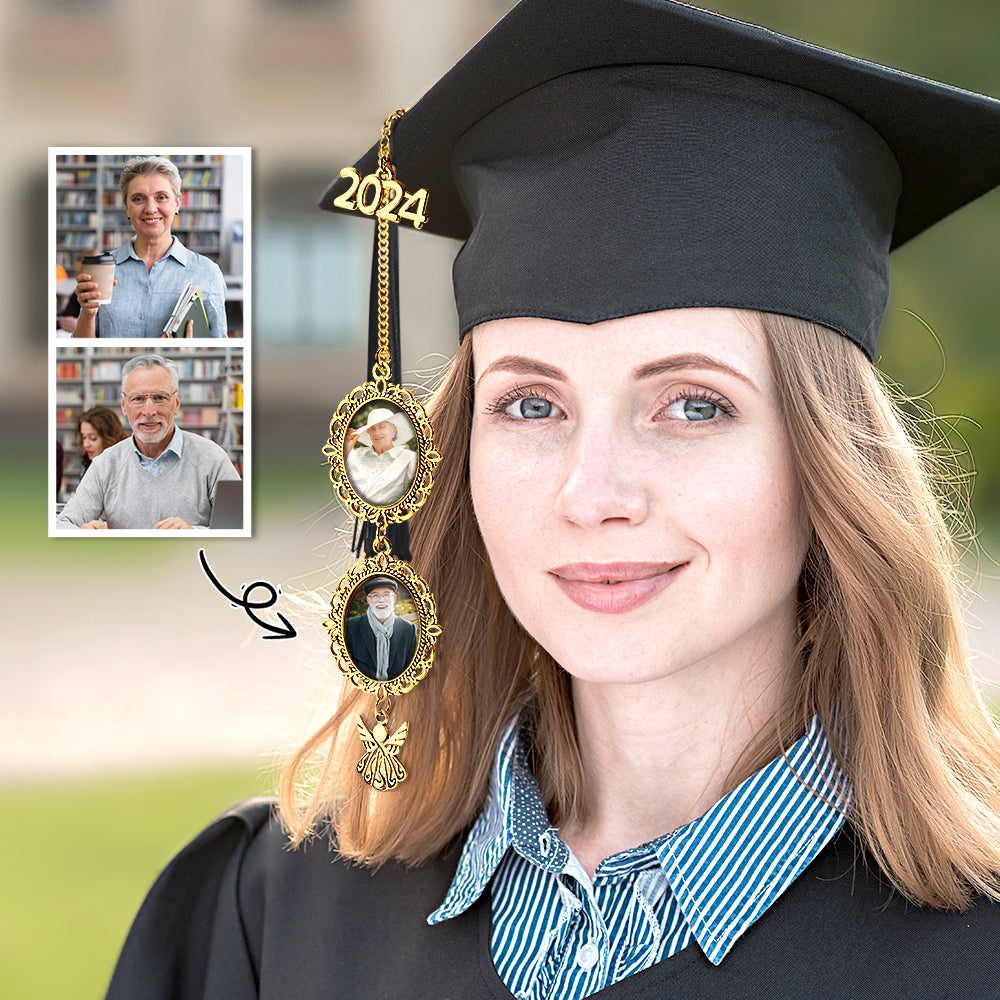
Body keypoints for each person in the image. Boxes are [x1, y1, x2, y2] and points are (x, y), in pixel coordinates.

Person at [105, 1, 1000, 996]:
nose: (592, 492)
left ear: (828, 466)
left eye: (693, 404)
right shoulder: (274, 916)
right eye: (531, 402)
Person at [57, 354, 239, 529]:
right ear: (124, 406)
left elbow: (242, 526)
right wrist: (84, 534)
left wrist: (195, 534)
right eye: (138, 399)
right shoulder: (105, 464)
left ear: (176, 404)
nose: (149, 411)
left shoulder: (213, 458)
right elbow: (63, 523)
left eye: (160, 398)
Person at [73, 155, 227, 338]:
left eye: (161, 197)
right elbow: (80, 350)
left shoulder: (208, 273)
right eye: (138, 199)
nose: (151, 208)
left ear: (177, 203)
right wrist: (88, 314)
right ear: (126, 206)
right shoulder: (102, 269)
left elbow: (221, 348)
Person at [344, 577, 418, 681]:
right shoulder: (350, 627)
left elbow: (411, 670)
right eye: (375, 596)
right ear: (368, 600)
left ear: (394, 599)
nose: (381, 600)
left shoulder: (408, 629)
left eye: (386, 595)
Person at [344, 406, 418, 506]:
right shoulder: (356, 455)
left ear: (394, 430)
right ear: (369, 433)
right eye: (372, 429)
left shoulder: (409, 458)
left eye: (382, 427)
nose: (377, 433)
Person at [75, 406, 127, 473]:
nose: (86, 445)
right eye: (84, 437)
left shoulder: (124, 466)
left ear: (110, 438)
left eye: (93, 438)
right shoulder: (87, 464)